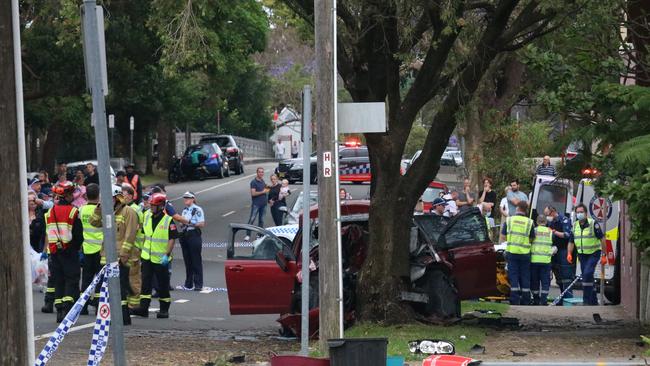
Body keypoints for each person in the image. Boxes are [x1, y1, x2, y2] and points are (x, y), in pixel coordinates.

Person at [90, 184, 139, 325]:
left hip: (119, 259)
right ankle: (106, 315)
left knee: (120, 289)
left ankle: (123, 317)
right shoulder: (107, 212)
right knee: (105, 289)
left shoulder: (128, 212)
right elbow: (93, 222)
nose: (106, 201)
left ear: (117, 198)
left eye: (108, 198)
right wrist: (99, 206)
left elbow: (130, 236)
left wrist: (123, 257)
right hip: (105, 256)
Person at [131, 193, 178, 319]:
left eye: (154, 206)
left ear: (161, 206)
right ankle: (143, 308)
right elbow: (142, 233)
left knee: (162, 285)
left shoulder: (168, 220)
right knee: (146, 284)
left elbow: (172, 239)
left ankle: (164, 310)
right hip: (147, 257)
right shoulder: (146, 216)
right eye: (151, 205)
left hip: (160, 259)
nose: (151, 207)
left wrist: (166, 254)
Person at [44, 181, 83, 322]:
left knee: (58, 281)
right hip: (69, 251)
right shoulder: (73, 211)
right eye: (71, 193)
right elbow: (78, 235)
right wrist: (75, 247)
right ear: (66, 195)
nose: (73, 196)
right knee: (71, 280)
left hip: (54, 252)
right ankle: (67, 308)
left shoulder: (49, 212)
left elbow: (48, 233)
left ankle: (59, 310)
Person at [568, 204, 606, 305]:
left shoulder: (593, 224)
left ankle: (586, 301)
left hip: (594, 253)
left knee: (587, 273)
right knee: (587, 277)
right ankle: (593, 301)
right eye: (578, 212)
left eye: (581, 212)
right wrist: (569, 253)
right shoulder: (575, 225)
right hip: (582, 255)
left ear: (586, 213)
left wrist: (604, 255)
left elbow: (602, 239)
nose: (579, 214)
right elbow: (571, 241)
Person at [500, 201, 535, 305]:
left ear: (518, 208)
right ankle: (526, 300)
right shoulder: (530, 222)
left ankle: (514, 300)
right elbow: (532, 238)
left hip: (512, 252)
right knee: (525, 276)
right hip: (525, 254)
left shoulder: (509, 220)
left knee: (513, 276)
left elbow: (502, 237)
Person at [78, 183, 103, 315]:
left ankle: (83, 306)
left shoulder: (81, 210)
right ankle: (99, 306)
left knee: (87, 279)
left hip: (87, 249)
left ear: (86, 195)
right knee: (100, 280)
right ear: (99, 195)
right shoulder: (101, 210)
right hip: (100, 250)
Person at [543, 205, 575, 304]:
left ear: (553, 212)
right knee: (559, 278)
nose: (547, 217)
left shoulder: (564, 220)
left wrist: (554, 232)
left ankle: (568, 300)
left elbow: (567, 235)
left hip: (564, 250)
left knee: (566, 277)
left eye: (547, 214)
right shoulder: (550, 222)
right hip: (554, 251)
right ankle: (562, 299)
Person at [122, 183, 144, 309]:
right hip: (127, 247)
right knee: (125, 276)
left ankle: (134, 304)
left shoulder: (134, 210)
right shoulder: (125, 208)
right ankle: (128, 302)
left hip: (134, 248)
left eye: (123, 194)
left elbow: (132, 231)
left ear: (130, 196)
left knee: (133, 276)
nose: (121, 197)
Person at [178, 192, 206, 291]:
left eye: (188, 198)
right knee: (187, 260)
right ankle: (188, 283)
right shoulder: (185, 210)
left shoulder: (197, 209)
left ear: (193, 199)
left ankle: (198, 284)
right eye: (185, 198)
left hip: (194, 235)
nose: (186, 199)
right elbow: (182, 223)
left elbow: (201, 224)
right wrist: (182, 223)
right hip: (185, 235)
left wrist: (189, 223)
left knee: (196, 260)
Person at [530, 215, 553, 305]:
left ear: (537, 222)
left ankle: (536, 300)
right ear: (546, 222)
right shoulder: (550, 232)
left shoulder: (534, 231)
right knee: (545, 282)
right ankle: (543, 301)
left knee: (535, 281)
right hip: (546, 261)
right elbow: (553, 245)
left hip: (534, 260)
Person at [245, 167, 269, 241]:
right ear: (257, 173)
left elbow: (266, 191)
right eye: (260, 172)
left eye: (262, 172)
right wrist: (263, 191)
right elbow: (253, 193)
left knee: (261, 220)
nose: (261, 173)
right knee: (252, 219)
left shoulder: (263, 181)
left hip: (264, 204)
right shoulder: (253, 182)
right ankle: (248, 235)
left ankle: (259, 234)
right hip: (256, 204)